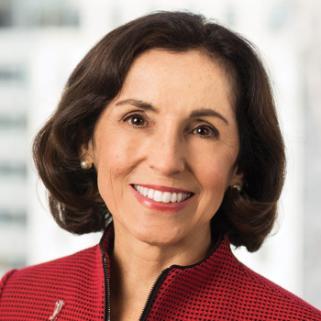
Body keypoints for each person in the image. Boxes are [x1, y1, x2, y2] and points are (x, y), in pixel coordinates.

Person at [0, 10, 320, 321]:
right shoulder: (14, 298)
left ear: (240, 165)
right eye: (137, 120)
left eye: (202, 130)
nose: (167, 161)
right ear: (86, 142)